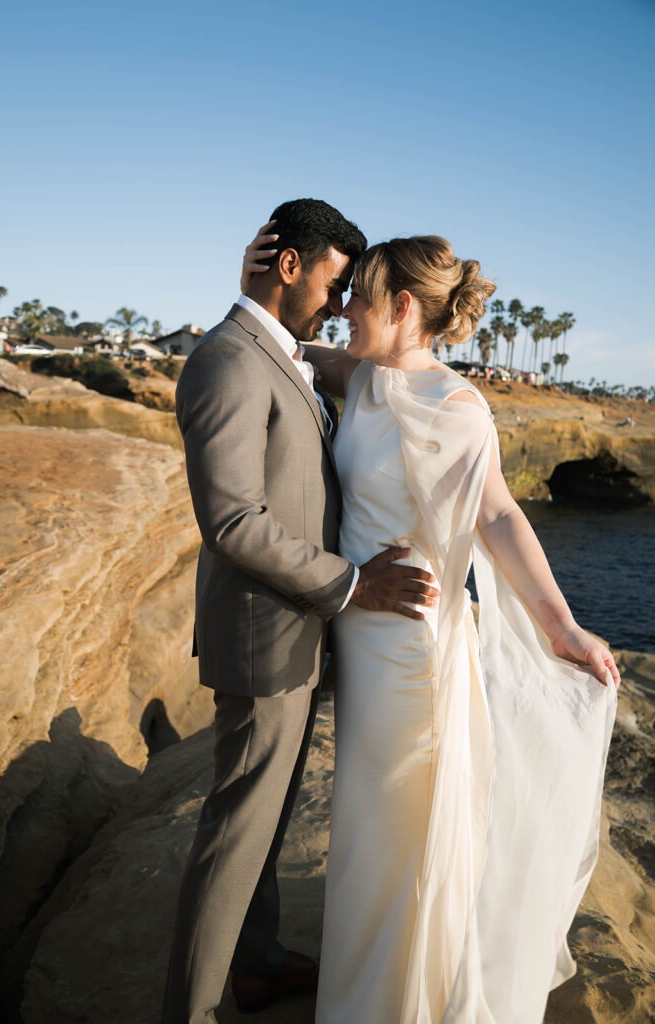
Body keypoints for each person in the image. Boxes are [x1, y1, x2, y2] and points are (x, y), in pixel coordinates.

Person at [242, 230, 620, 1023]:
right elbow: (284, 345)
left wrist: (562, 628)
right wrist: (252, 280)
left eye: (361, 299)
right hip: (358, 630)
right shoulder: (368, 378)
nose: (344, 311)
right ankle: (363, 982)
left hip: (409, 647)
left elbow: (500, 515)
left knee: (403, 829)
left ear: (404, 307)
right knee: (367, 827)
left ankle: (400, 999)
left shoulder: (456, 405)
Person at [161, 200, 438, 1024]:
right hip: (264, 631)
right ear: (291, 268)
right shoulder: (229, 363)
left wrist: (254, 293)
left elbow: (308, 354)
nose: (339, 297)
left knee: (268, 820)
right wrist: (355, 586)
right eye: (333, 278)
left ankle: (256, 963)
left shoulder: (272, 351)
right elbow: (233, 520)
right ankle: (194, 1009)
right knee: (236, 834)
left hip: (292, 627)